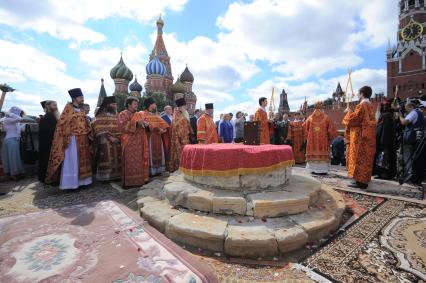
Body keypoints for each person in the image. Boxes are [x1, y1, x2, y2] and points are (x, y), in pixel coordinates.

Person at [46, 88, 92, 190]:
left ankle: (83, 182)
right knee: (73, 161)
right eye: (81, 98)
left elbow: (86, 122)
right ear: (75, 98)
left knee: (83, 161)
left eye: (83, 97)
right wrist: (69, 132)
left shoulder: (82, 109)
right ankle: (71, 184)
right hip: (72, 139)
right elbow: (61, 124)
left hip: (83, 138)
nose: (82, 99)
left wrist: (88, 128)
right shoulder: (68, 109)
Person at [342, 86, 377, 189]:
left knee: (359, 158)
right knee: (366, 158)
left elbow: (354, 120)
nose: (358, 95)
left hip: (360, 137)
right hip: (369, 135)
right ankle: (364, 180)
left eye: (359, 93)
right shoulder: (370, 105)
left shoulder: (361, 105)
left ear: (362, 93)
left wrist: (348, 112)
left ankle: (360, 182)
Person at [119, 97, 149, 187]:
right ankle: (129, 182)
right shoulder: (123, 114)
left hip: (139, 142)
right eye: (134, 104)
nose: (137, 105)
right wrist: (136, 123)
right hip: (129, 142)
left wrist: (146, 124)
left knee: (139, 161)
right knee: (130, 161)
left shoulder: (139, 114)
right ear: (129, 104)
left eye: (137, 104)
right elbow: (123, 126)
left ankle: (139, 180)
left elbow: (145, 124)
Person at [91, 96, 121, 181]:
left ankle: (117, 175)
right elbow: (97, 128)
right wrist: (109, 137)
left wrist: (118, 137)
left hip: (117, 140)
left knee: (117, 157)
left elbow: (120, 127)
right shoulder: (100, 115)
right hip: (105, 140)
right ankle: (106, 177)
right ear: (107, 105)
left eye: (115, 104)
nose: (115, 106)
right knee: (106, 157)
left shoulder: (117, 115)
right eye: (113, 104)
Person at [304, 102, 337, 174]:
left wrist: (308, 136)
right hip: (323, 140)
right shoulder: (326, 117)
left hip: (312, 141)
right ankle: (322, 170)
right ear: (322, 108)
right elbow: (331, 129)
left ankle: (312, 169)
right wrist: (330, 137)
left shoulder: (309, 118)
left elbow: (305, 128)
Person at [396, 101, 424, 184]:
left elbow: (404, 122)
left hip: (410, 138)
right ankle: (415, 176)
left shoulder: (413, 112)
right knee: (415, 158)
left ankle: (409, 175)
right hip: (418, 138)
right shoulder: (419, 113)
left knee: (408, 157)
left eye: (406, 107)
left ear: (410, 106)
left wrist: (400, 117)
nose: (405, 109)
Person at [143, 97, 170, 176]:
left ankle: (158, 170)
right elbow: (148, 125)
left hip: (158, 137)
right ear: (150, 105)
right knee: (151, 153)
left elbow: (163, 123)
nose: (155, 105)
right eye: (154, 103)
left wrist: (164, 129)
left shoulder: (155, 115)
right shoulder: (143, 114)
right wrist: (157, 128)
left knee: (159, 152)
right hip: (150, 137)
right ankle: (151, 171)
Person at [374, 100, 397, 180]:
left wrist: (382, 143)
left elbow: (383, 130)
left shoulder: (386, 116)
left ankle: (384, 174)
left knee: (384, 158)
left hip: (384, 142)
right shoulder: (390, 115)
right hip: (388, 142)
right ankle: (385, 174)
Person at [1, 106, 25, 180]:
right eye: (19, 112)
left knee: (8, 158)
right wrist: (11, 114)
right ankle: (13, 174)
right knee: (13, 158)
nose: (19, 114)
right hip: (12, 140)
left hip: (9, 140)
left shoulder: (7, 119)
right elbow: (20, 119)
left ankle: (9, 174)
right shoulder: (9, 119)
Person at [169, 98, 192, 172]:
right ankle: (180, 168)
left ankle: (182, 168)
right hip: (180, 139)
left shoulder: (179, 114)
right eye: (185, 106)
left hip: (182, 138)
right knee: (180, 154)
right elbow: (179, 127)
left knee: (181, 153)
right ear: (181, 107)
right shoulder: (179, 116)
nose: (186, 108)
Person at [38, 100, 59, 182]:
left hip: (53, 142)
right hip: (48, 144)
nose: (56, 106)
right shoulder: (46, 117)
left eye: (56, 104)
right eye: (54, 105)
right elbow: (47, 131)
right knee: (46, 161)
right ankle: (47, 178)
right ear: (48, 106)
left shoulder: (54, 116)